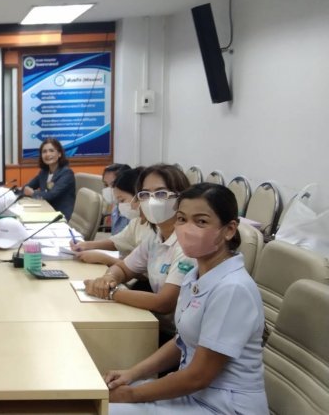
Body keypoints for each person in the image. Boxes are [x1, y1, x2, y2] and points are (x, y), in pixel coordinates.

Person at [106, 183, 267, 414]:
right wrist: (131, 374)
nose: (187, 229)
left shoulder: (232, 289)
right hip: (194, 395)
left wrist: (131, 394)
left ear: (229, 230)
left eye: (201, 221)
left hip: (223, 407)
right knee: (97, 396)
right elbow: (182, 341)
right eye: (182, 219)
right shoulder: (195, 275)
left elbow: (198, 376)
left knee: (101, 409)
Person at [84, 164, 193, 339]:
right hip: (155, 323)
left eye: (160, 194)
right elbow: (124, 268)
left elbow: (164, 303)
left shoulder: (189, 244)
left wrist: (111, 292)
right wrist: (108, 278)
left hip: (176, 336)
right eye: (145, 194)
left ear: (181, 198)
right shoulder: (155, 236)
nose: (152, 201)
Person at [73, 167, 152, 265]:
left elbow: (140, 269)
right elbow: (117, 242)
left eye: (122, 200)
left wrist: (105, 259)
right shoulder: (137, 222)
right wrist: (86, 245)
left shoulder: (154, 229)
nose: (120, 206)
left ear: (140, 196)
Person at [23, 138, 76, 221]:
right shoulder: (43, 172)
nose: (47, 154)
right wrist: (23, 189)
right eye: (44, 151)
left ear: (59, 154)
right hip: (46, 211)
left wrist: (32, 193)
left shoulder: (67, 173)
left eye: (51, 151)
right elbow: (28, 187)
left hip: (60, 216)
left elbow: (51, 195)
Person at [102, 164, 132, 235]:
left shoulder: (132, 211)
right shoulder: (115, 208)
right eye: (106, 185)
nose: (109, 189)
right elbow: (115, 239)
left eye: (113, 184)